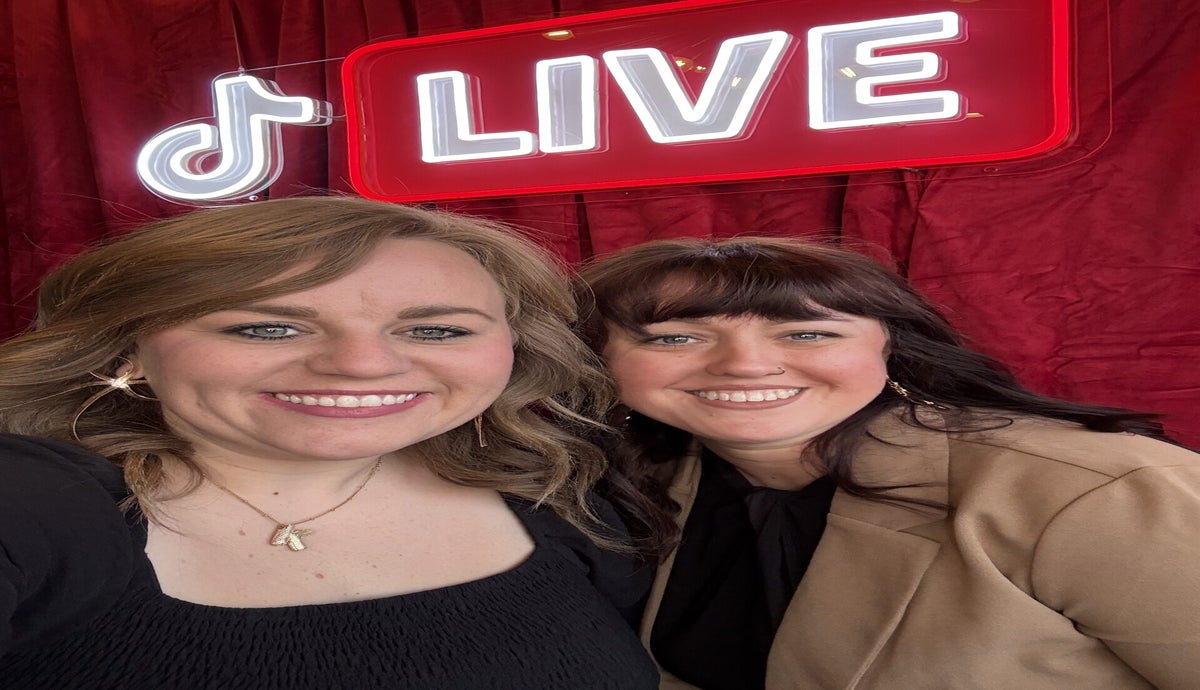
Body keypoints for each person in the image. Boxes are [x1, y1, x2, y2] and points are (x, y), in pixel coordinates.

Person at [0, 196, 659, 689]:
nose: (363, 366)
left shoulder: (560, 497)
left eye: (436, 331)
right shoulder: (38, 504)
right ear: (129, 351)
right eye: (266, 328)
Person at [573, 236, 1200, 690]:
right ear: (598, 361)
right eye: (677, 338)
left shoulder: (1097, 492)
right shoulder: (625, 489)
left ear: (890, 347)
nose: (745, 365)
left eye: (808, 333)